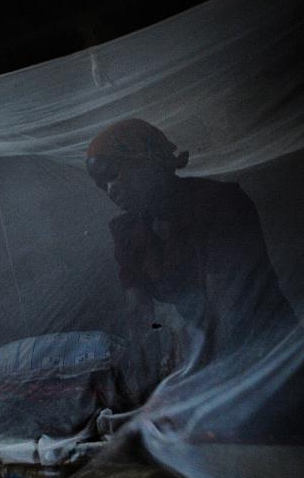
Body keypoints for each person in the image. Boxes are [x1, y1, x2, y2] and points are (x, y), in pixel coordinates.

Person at [85, 119, 299, 401]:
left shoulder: (219, 204)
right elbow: (138, 313)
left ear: (146, 160)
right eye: (102, 185)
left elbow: (228, 310)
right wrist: (140, 380)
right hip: (210, 355)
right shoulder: (128, 232)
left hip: (269, 352)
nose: (110, 190)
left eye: (113, 174)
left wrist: (198, 379)